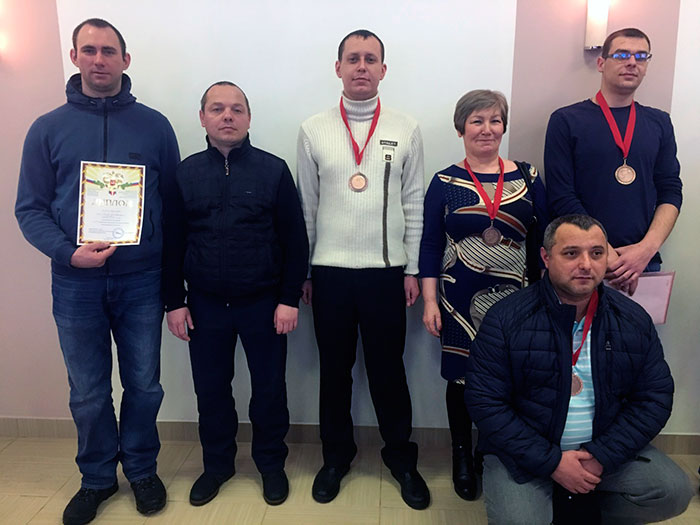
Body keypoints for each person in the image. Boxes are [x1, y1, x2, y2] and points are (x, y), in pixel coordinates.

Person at [15, 18, 179, 525]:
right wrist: (69, 254)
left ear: (126, 60)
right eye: (89, 50)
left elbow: (173, 206)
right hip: (75, 283)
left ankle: (142, 471)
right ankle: (97, 478)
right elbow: (29, 210)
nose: (99, 59)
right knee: (87, 391)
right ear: (74, 57)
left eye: (109, 51)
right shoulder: (46, 129)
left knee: (145, 385)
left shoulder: (155, 126)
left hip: (141, 279)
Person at [465, 214, 693, 524]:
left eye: (597, 253)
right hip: (526, 456)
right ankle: (561, 499)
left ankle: (579, 505)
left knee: (673, 491)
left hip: (601, 454)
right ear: (546, 257)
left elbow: (654, 398)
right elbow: (485, 403)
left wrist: (602, 456)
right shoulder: (505, 319)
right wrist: (553, 463)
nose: (586, 264)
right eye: (571, 253)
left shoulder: (632, 319)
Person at [296, 29, 429, 509]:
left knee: (388, 371)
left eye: (371, 59)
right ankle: (336, 458)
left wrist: (411, 268)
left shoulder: (406, 127)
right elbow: (306, 208)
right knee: (335, 373)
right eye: (352, 59)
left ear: (383, 70)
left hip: (385, 273)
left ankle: (401, 459)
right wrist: (305, 272)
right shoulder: (313, 129)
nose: (361, 67)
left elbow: (413, 202)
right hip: (329, 273)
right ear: (338, 68)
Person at [162, 82, 308, 507]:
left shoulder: (273, 170)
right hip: (204, 304)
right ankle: (217, 466)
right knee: (210, 391)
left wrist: (288, 298)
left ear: (248, 118)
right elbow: (172, 242)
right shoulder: (185, 173)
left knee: (269, 390)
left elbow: (294, 240)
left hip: (264, 303)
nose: (227, 116)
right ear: (202, 118)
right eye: (217, 108)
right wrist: (174, 301)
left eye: (236, 109)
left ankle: (270, 465)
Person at [418, 89, 547, 501]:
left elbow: (544, 241)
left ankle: (492, 451)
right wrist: (429, 301)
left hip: (519, 300)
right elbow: (430, 245)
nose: (486, 129)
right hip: (458, 302)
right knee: (461, 379)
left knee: (511, 379)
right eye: (477, 121)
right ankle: (461, 454)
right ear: (461, 129)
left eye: (494, 120)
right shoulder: (444, 182)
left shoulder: (527, 177)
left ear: (504, 126)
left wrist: (547, 297)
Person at [545, 28, 682, 296]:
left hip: (641, 264)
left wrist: (646, 249)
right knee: (577, 327)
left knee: (639, 327)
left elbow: (671, 190)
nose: (632, 62)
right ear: (601, 63)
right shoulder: (566, 120)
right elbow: (561, 196)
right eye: (621, 55)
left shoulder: (659, 122)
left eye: (641, 56)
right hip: (581, 262)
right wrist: (602, 251)